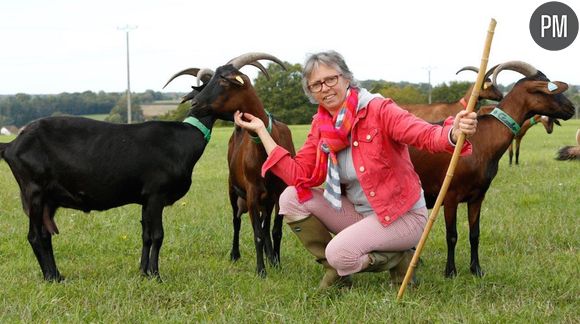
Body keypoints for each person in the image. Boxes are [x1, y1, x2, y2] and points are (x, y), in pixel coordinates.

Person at [233, 50, 477, 289]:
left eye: (331, 79)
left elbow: (424, 134)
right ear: (310, 92)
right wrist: (262, 132)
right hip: (360, 213)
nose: (325, 87)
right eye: (316, 84)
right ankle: (337, 268)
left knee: (339, 253)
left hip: (401, 216)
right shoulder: (321, 124)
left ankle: (400, 256)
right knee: (290, 198)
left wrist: (453, 133)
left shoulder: (378, 109)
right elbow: (299, 176)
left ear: (346, 78)